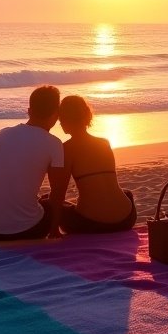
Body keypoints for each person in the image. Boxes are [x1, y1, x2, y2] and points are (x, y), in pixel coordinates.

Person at [0, 85, 70, 241]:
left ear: (29, 111)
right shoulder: (54, 143)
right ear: (56, 114)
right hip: (28, 231)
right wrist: (54, 231)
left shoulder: (3, 134)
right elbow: (58, 192)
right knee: (50, 202)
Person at [56, 95, 136, 234]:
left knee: (50, 203)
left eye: (60, 119)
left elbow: (59, 193)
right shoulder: (104, 143)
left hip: (91, 223)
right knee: (126, 193)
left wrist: (53, 232)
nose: (60, 124)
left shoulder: (66, 149)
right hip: (127, 219)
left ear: (65, 120)